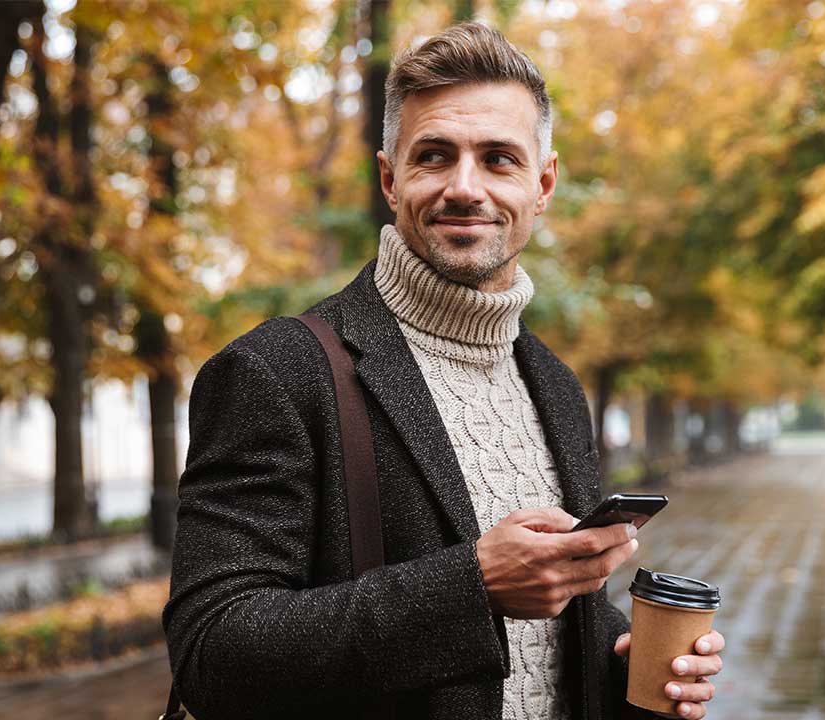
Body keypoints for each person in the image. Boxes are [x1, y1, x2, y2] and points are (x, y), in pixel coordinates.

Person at [162, 21, 725, 720]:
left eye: (498, 159)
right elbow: (212, 654)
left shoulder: (556, 384)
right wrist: (473, 586)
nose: (464, 187)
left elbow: (545, 641)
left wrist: (626, 664)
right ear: (390, 178)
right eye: (434, 156)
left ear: (543, 184)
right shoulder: (277, 372)